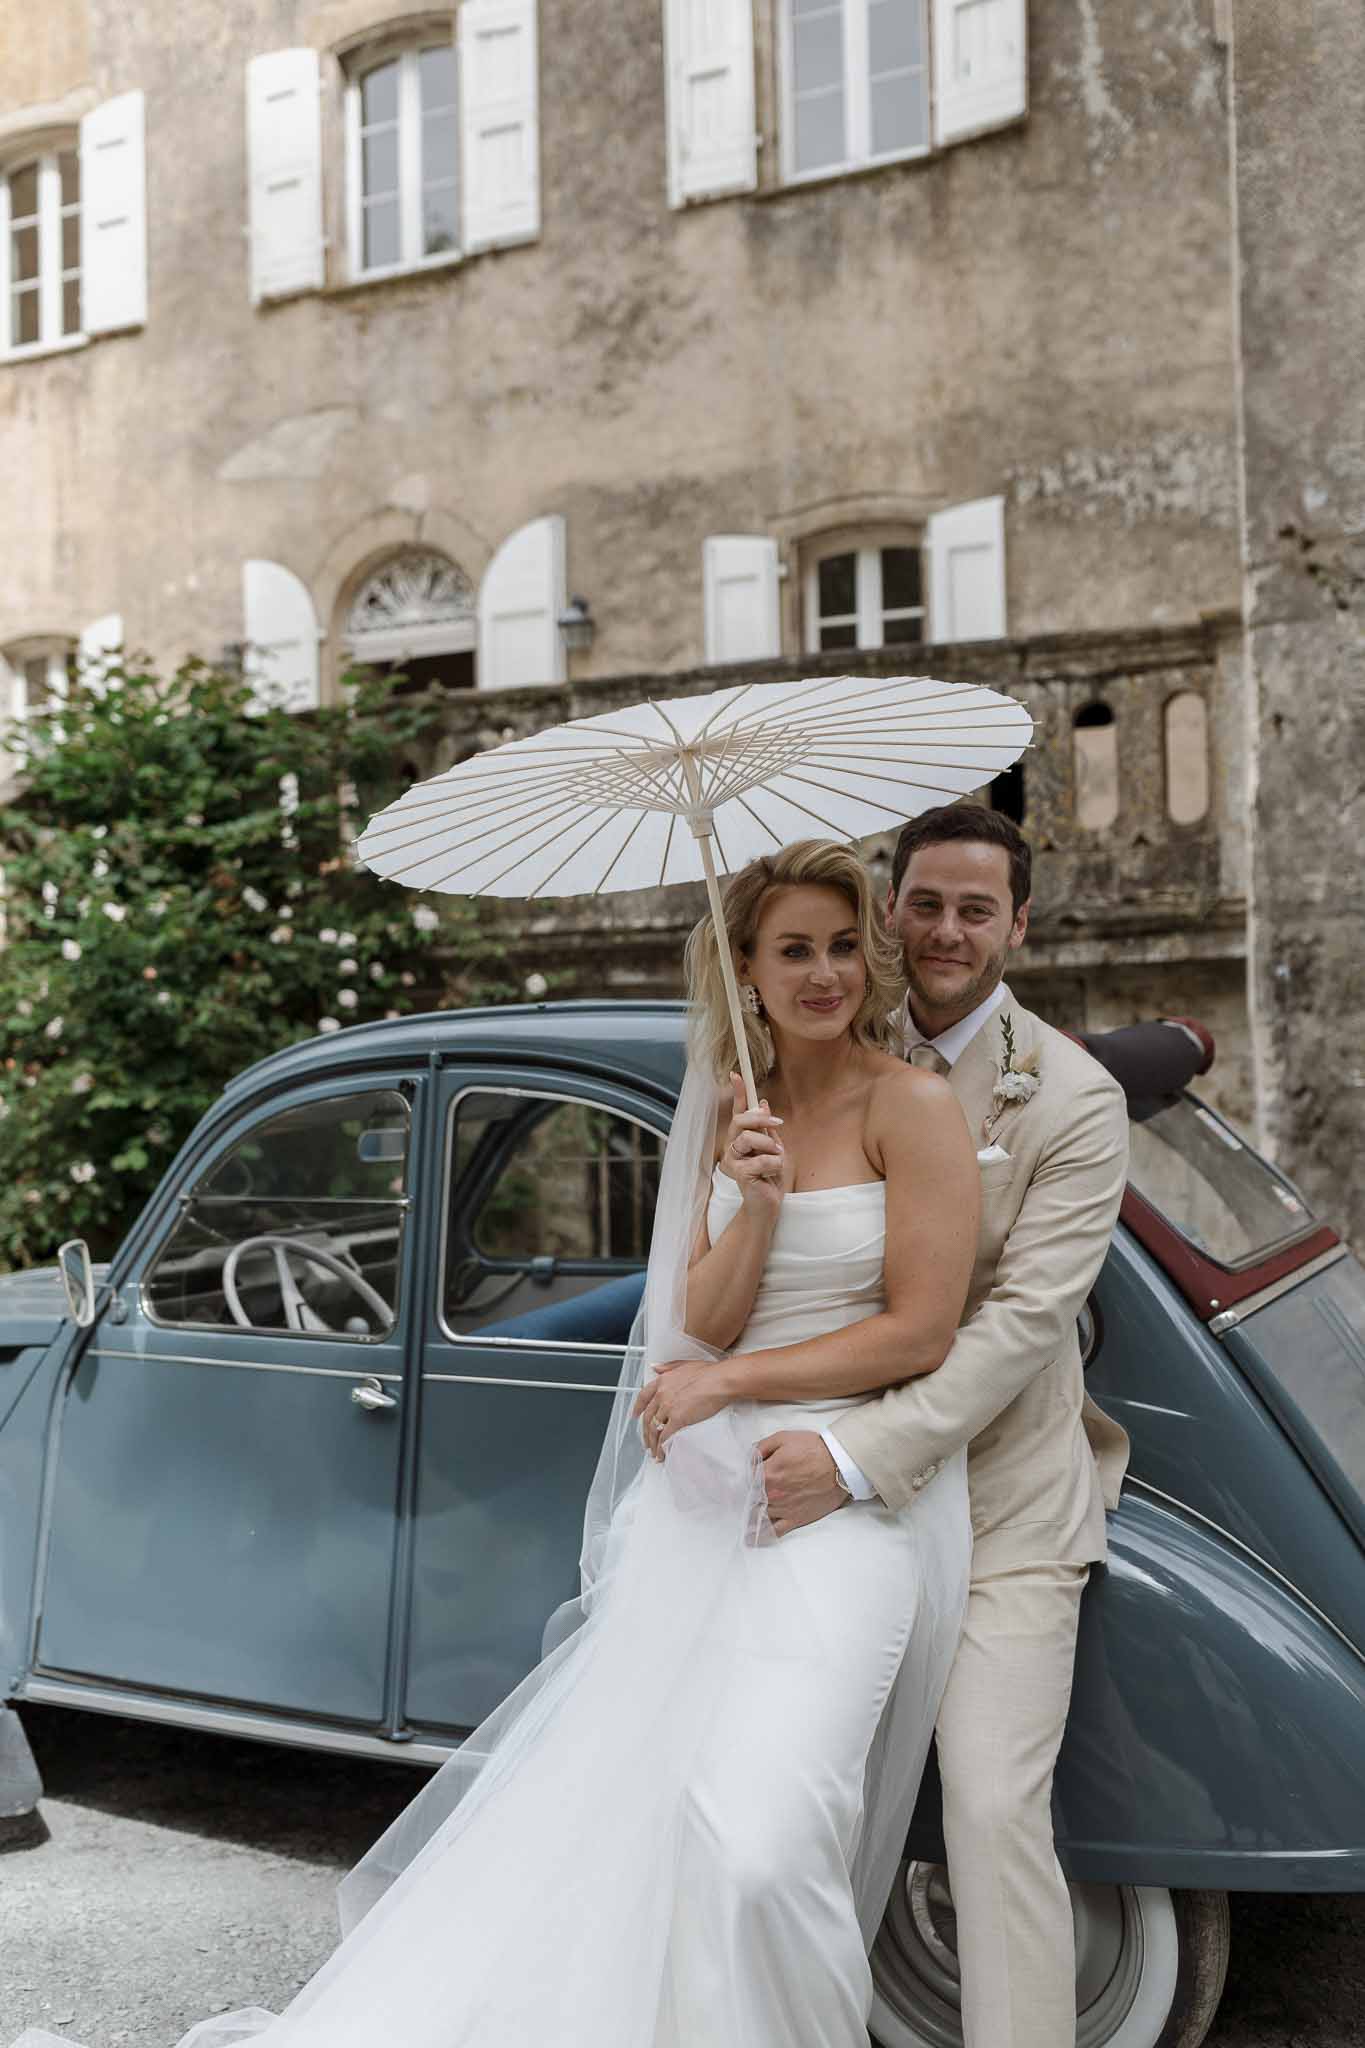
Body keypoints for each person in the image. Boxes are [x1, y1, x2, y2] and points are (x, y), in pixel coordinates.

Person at [11, 838, 981, 2048]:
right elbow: (699, 1312)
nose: (824, 972)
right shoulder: (735, 1107)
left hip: (849, 1487)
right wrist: (762, 1200)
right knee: (651, 1818)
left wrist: (729, 1377)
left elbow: (921, 1326)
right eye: (794, 948)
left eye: (843, 945)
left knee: (765, 1841)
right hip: (709, 1501)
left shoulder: (914, 1102)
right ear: (746, 966)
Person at [740, 803, 1131, 2048]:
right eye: (925, 903)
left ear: (1019, 922)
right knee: (786, 1796)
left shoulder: (1072, 1095)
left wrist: (859, 1456)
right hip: (823, 1494)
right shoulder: (820, 1035)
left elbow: (1023, 1326)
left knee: (992, 1800)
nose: (947, 930)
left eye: (978, 907)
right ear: (887, 913)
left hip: (1000, 1498)